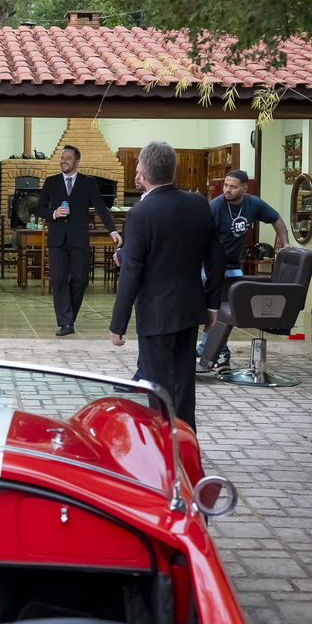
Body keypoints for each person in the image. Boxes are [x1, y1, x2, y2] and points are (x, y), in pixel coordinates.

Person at [109, 141, 224, 432]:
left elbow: (132, 271)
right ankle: (186, 444)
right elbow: (216, 257)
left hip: (155, 313)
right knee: (184, 387)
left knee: (159, 390)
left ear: (143, 171)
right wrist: (212, 304)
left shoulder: (139, 213)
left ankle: (164, 447)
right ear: (173, 170)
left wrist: (118, 323)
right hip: (189, 309)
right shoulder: (199, 204)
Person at [198, 169, 291, 370]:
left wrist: (285, 244)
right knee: (215, 305)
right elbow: (201, 238)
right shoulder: (215, 207)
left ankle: (211, 350)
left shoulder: (253, 203)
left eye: (233, 187)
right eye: (225, 185)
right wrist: (211, 267)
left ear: (245, 188)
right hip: (212, 265)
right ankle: (217, 352)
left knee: (228, 306)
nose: (227, 190)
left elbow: (276, 219)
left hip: (234, 266)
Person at [35, 145, 122, 336]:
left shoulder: (88, 183)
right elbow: (39, 208)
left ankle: (69, 318)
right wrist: (53, 213)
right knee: (59, 280)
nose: (63, 161)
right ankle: (65, 322)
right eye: (62, 158)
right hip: (57, 239)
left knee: (80, 279)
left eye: (68, 158)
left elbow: (100, 207)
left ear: (77, 162)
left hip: (79, 239)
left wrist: (113, 230)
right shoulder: (51, 182)